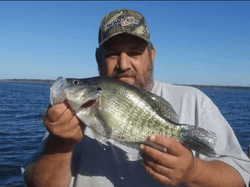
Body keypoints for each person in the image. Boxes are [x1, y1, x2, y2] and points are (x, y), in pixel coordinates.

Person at [23, 9, 250, 187]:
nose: (123, 64)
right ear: (97, 57)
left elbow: (240, 178)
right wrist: (61, 143)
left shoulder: (194, 101)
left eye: (134, 52)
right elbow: (37, 183)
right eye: (112, 54)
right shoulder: (71, 112)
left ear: (152, 55)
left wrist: (194, 172)